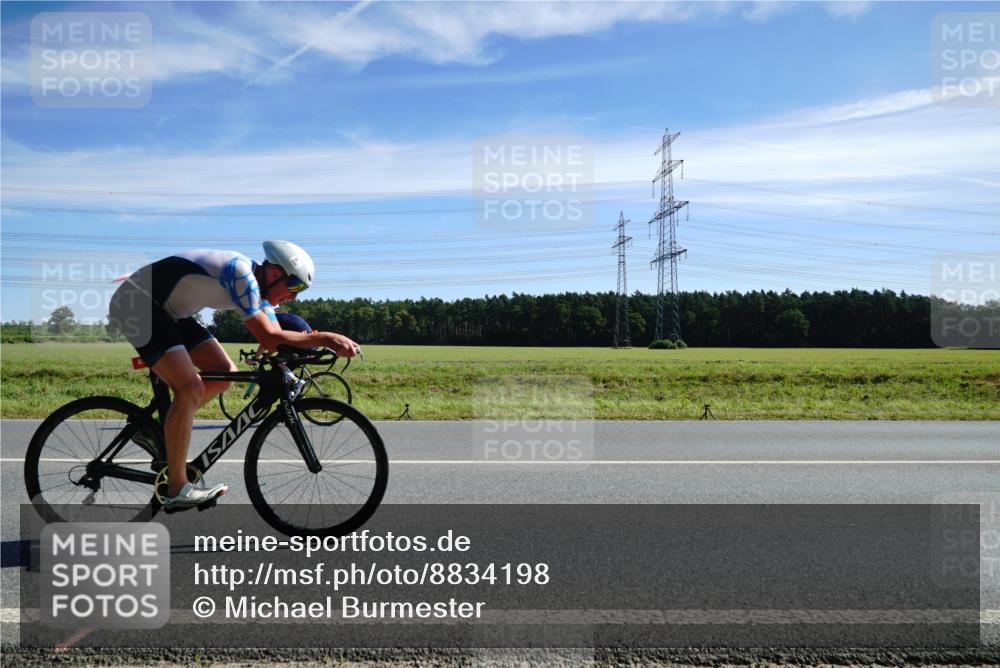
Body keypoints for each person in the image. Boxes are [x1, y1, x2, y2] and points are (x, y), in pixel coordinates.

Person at [108, 241, 359, 510]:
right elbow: (269, 337)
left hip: (170, 313)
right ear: (276, 274)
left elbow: (275, 337)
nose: (295, 297)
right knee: (190, 387)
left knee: (225, 375)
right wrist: (327, 338)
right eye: (295, 286)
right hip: (138, 303)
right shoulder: (241, 275)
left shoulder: (260, 292)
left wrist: (305, 349)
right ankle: (177, 489)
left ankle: (157, 429)